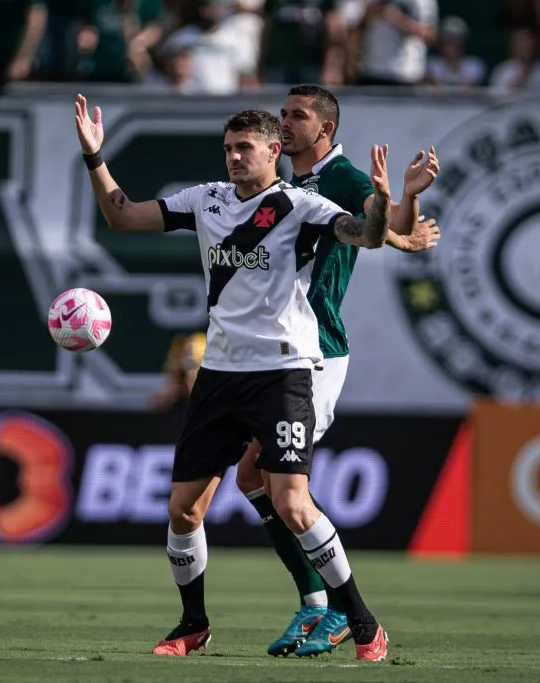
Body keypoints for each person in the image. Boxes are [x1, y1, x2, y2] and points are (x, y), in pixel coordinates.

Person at [74, 94, 393, 661]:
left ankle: (363, 621)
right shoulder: (207, 200)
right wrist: (95, 157)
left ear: (274, 151)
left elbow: (365, 234)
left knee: (292, 502)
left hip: (283, 372)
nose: (234, 158)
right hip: (219, 373)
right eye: (228, 149)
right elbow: (122, 215)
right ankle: (192, 624)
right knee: (182, 509)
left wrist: (395, 202)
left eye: (244, 149)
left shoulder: (301, 207)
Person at [235, 84, 440, 658]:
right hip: (275, 347)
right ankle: (316, 603)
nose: (285, 123)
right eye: (282, 115)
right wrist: (404, 236)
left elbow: (379, 222)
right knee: (253, 478)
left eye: (296, 116)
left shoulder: (342, 176)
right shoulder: (281, 182)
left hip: (317, 348)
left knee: (284, 488)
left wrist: (406, 203)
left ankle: (344, 613)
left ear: (324, 129)